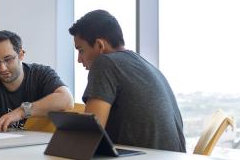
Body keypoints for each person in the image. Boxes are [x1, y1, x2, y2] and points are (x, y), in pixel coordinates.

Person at [69, 9, 186, 152]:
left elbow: (88, 137)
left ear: (100, 45)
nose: (79, 60)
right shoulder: (145, 65)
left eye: (81, 50)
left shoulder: (105, 63)